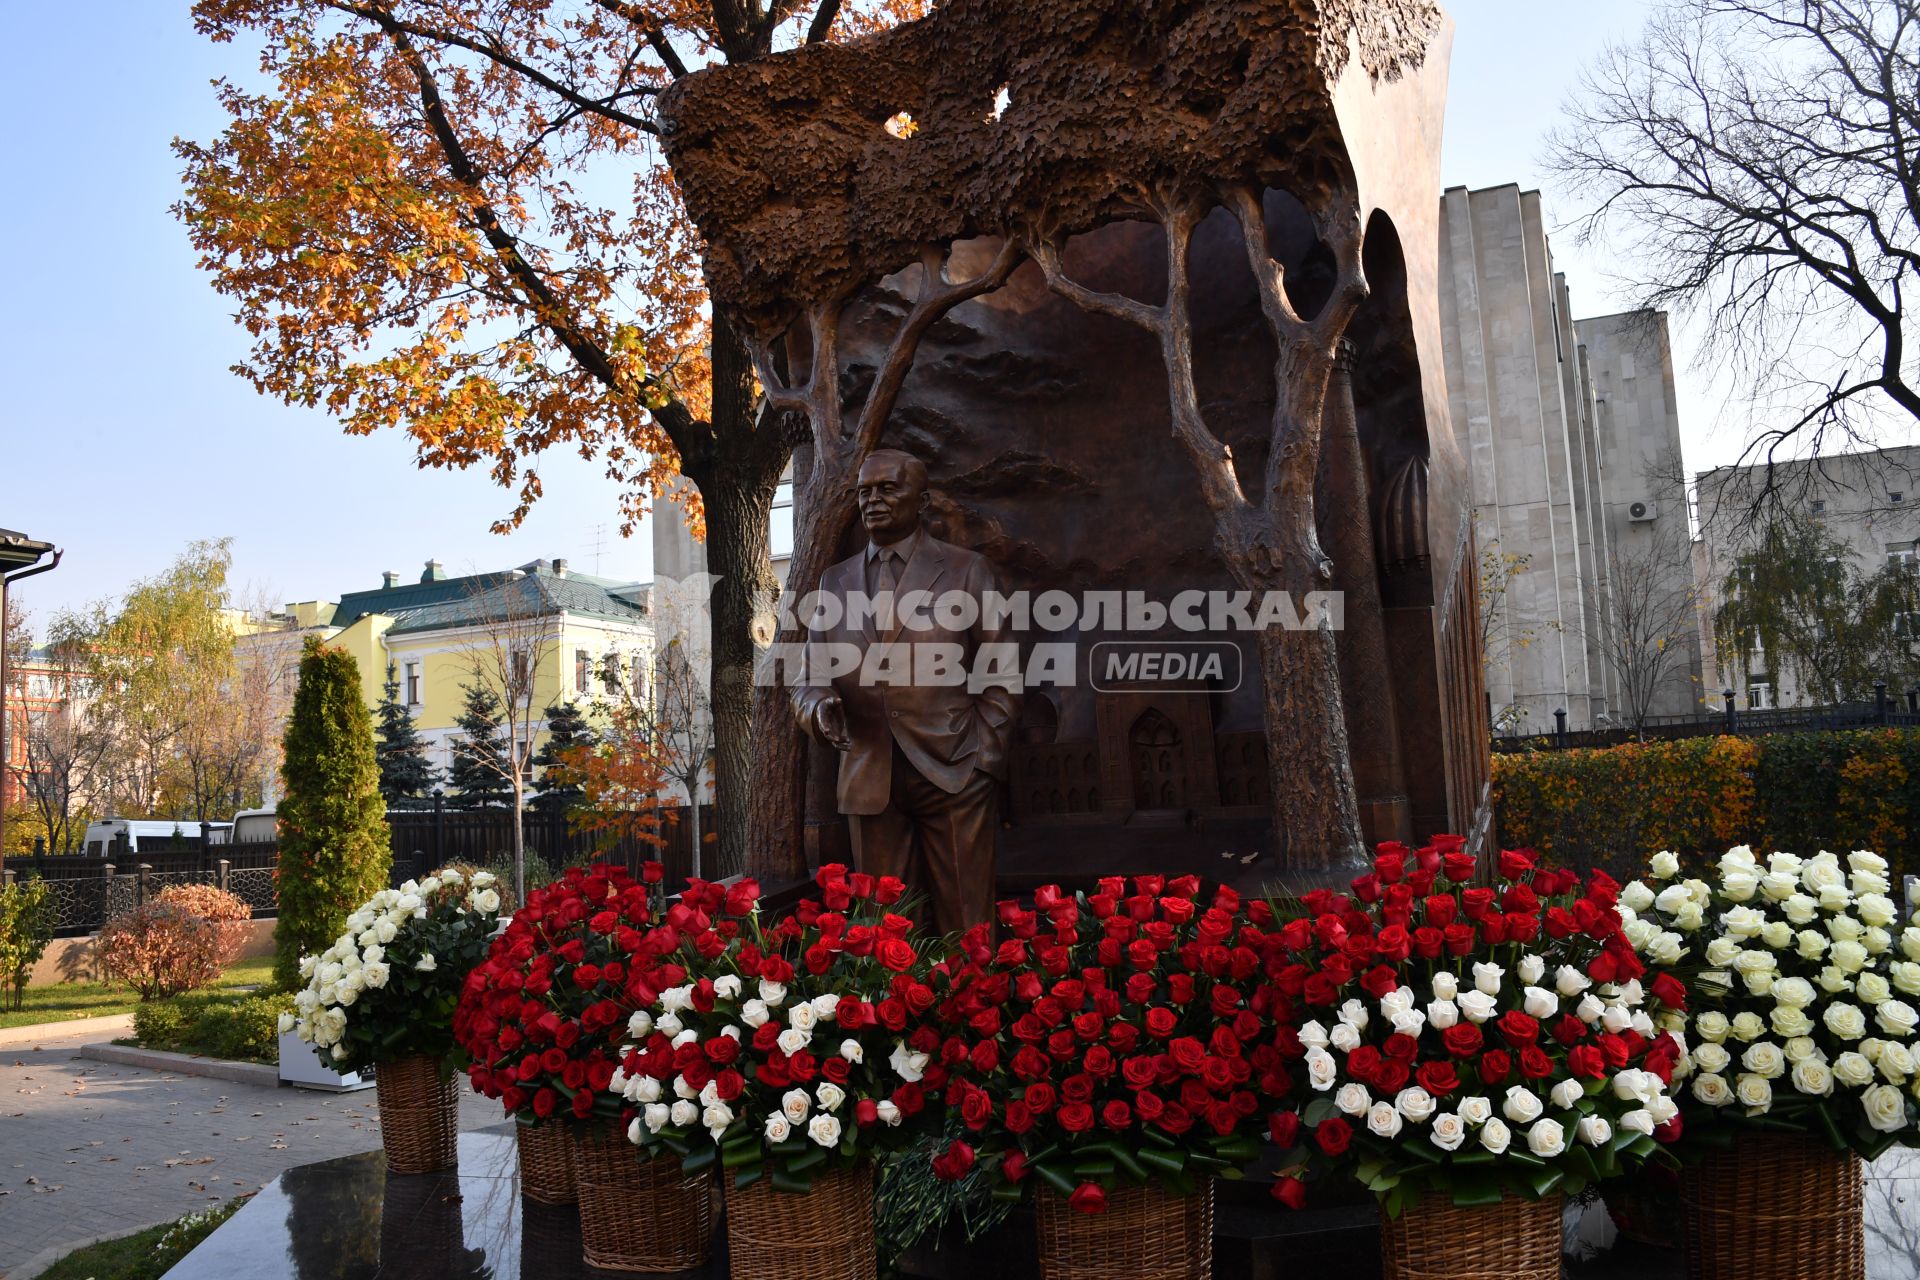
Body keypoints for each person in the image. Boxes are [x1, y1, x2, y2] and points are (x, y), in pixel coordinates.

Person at [791, 448, 1019, 934]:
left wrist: (985, 756)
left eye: (888, 489)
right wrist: (818, 707)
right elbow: (808, 677)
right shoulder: (834, 582)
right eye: (864, 492)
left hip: (956, 769)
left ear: (923, 500)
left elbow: (1003, 670)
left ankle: (972, 1008)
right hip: (869, 771)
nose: (873, 501)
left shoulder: (966, 571)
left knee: (968, 922)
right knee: (887, 932)